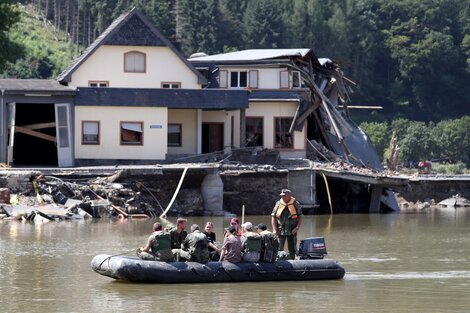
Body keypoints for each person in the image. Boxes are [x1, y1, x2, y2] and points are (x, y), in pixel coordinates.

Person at [271, 189, 303, 260]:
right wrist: (274, 229)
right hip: (280, 230)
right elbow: (273, 217)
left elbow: (300, 218)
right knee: (278, 247)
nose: (282, 197)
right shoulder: (278, 203)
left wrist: (297, 228)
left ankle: (293, 260)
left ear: (289, 196)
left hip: (292, 230)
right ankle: (277, 261)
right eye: (281, 196)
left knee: (292, 248)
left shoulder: (296, 204)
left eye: (284, 196)